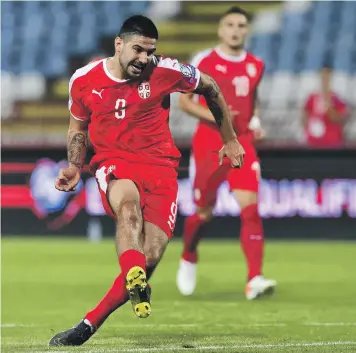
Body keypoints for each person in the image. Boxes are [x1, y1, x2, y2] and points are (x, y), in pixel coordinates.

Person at [50, 15, 244, 346]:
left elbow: (209, 87)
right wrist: (74, 165)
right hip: (115, 162)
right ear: (119, 44)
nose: (144, 58)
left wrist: (229, 139)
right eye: (138, 49)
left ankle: (90, 322)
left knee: (150, 254)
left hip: (162, 168)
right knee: (128, 209)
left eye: (149, 51)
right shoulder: (84, 80)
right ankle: (125, 287)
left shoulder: (165, 69)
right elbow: (78, 127)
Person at [176, 6, 276, 300]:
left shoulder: (256, 64)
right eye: (229, 24)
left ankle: (254, 278)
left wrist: (255, 121)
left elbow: (252, 99)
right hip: (209, 144)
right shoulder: (204, 60)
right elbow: (185, 102)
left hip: (242, 143)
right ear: (220, 30)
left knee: (251, 209)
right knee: (203, 213)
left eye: (241, 25)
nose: (235, 30)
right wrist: (216, 116)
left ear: (247, 30)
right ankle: (189, 253)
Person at [301, 64, 350, 148]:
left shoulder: (336, 98)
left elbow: (339, 119)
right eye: (322, 77)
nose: (324, 81)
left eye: (327, 78)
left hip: (332, 142)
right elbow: (304, 117)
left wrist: (328, 104)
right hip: (313, 142)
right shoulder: (312, 97)